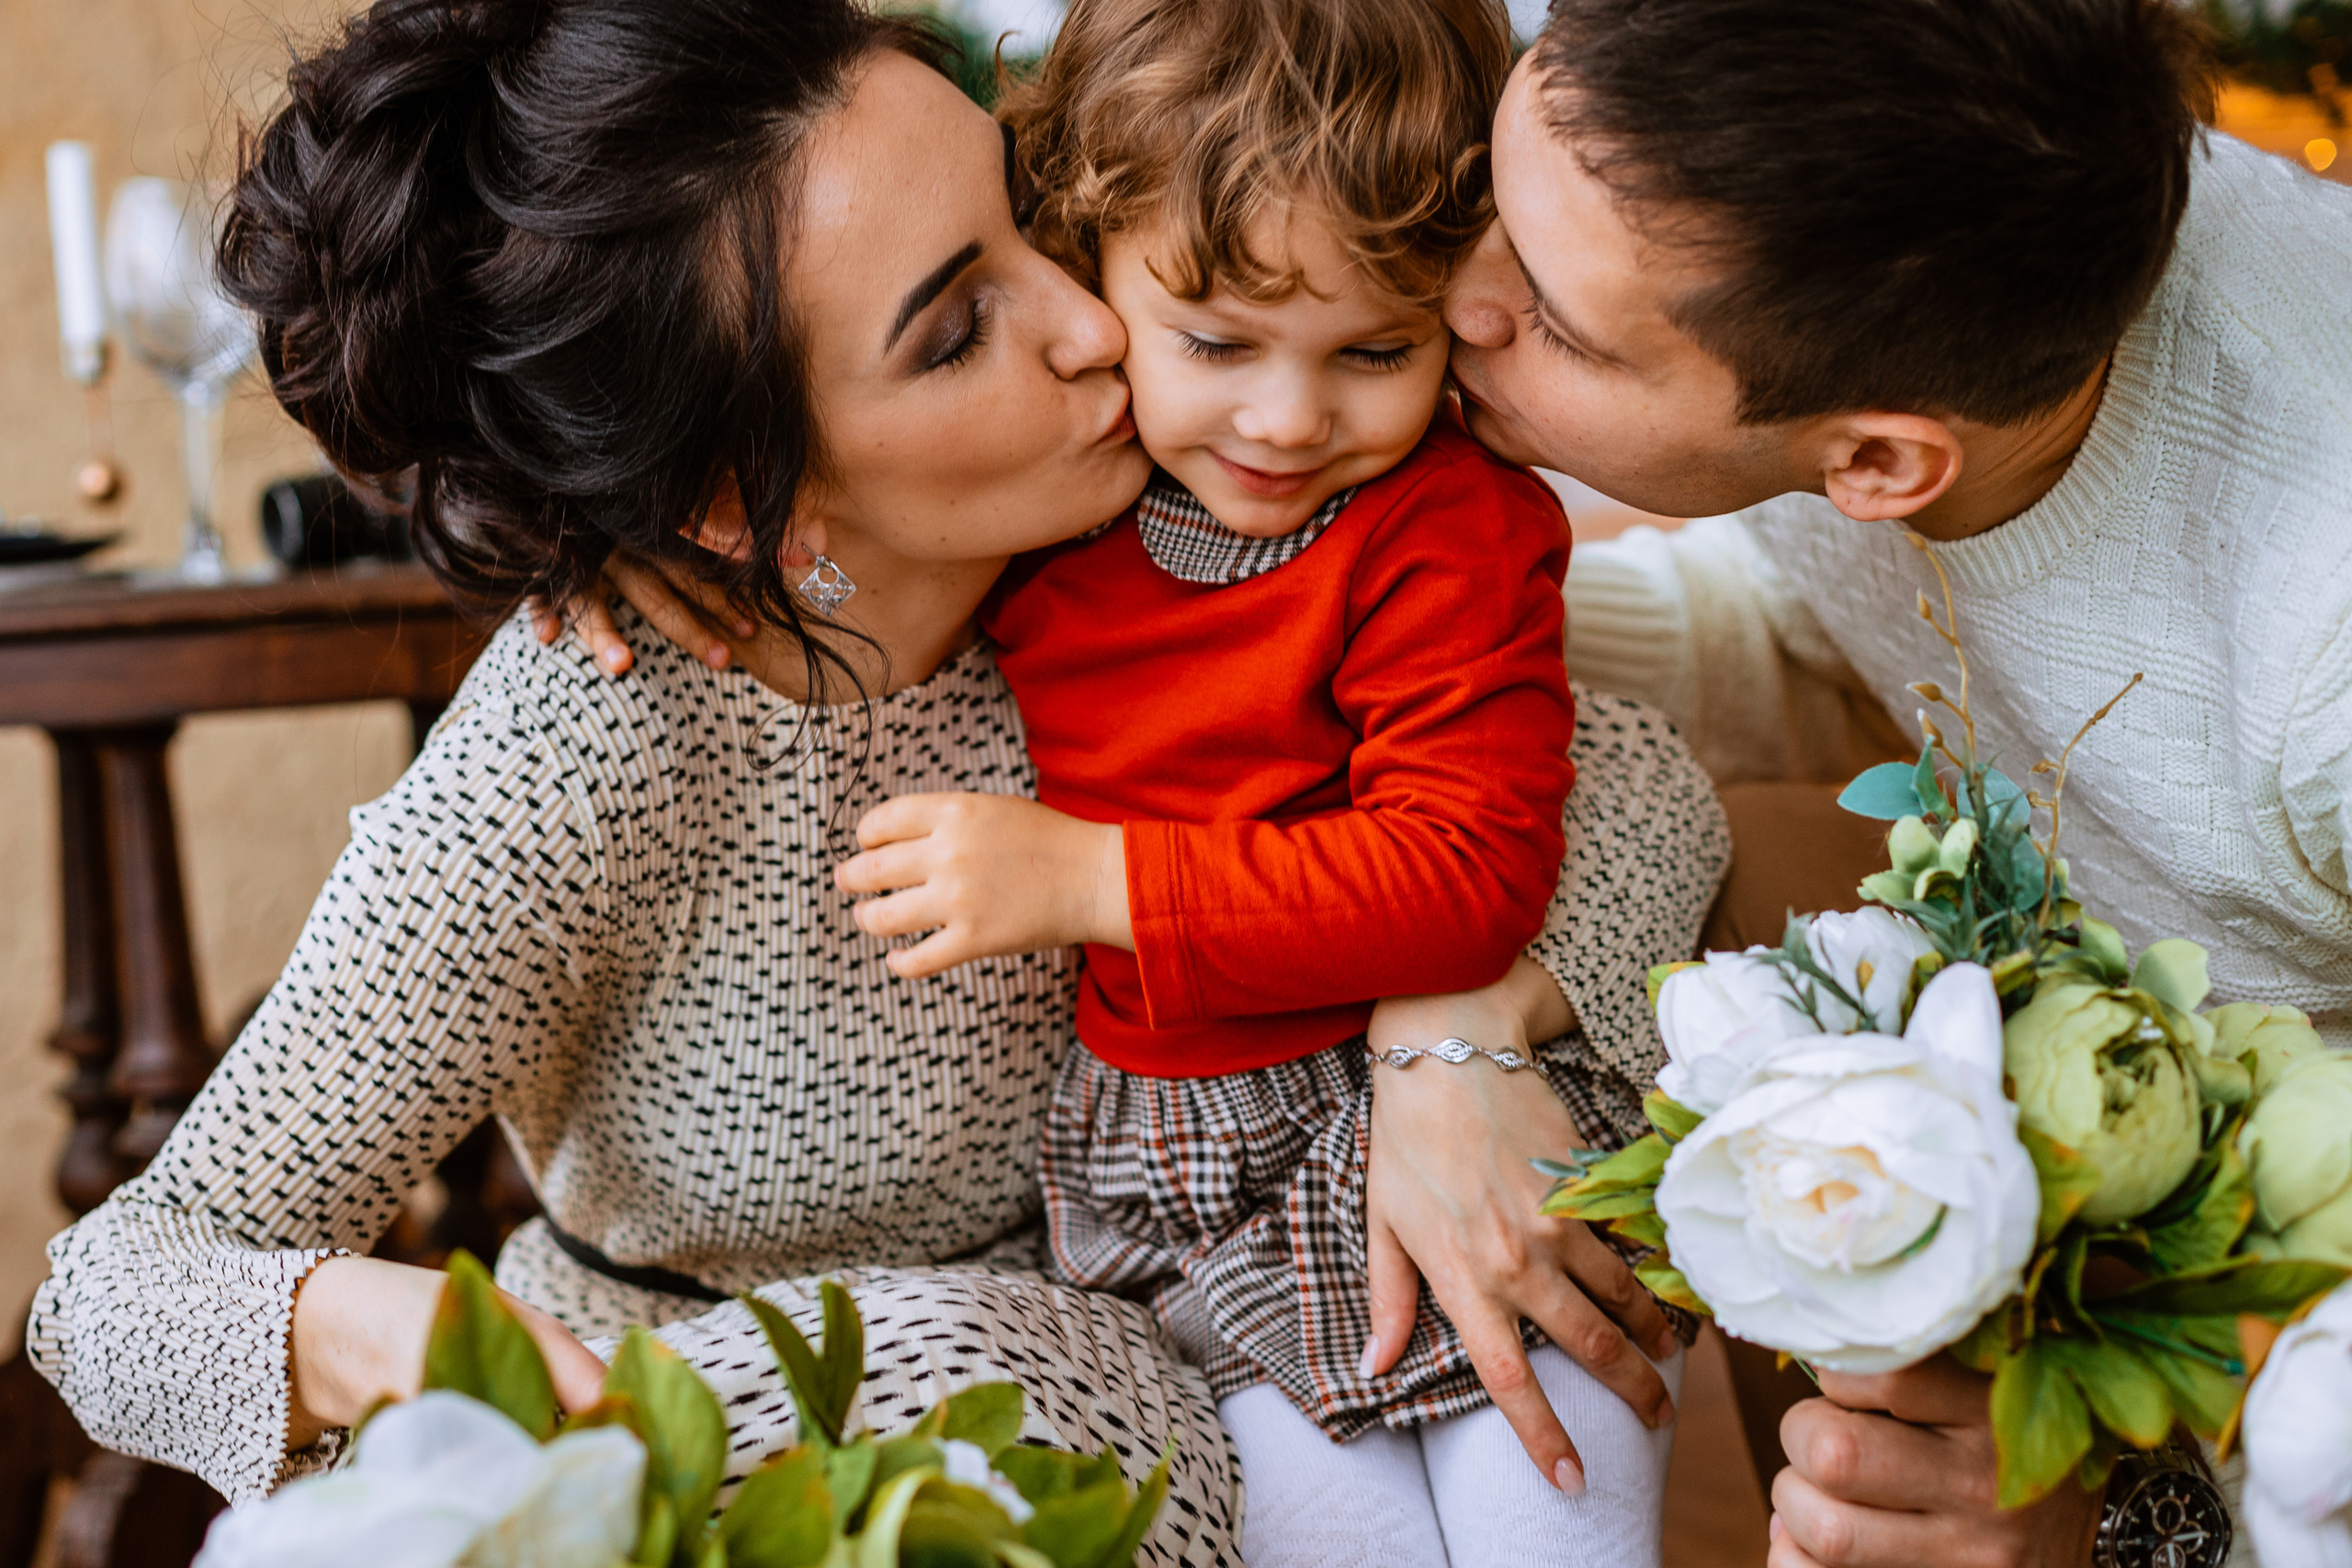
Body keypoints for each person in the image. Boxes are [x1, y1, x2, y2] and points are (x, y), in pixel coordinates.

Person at [28, 0, 1722, 1559]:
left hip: (1112, 1418)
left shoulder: (1200, 514)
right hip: (668, 1447)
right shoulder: (594, 737)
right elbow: (110, 1294)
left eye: (1025, 222)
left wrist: (1450, 1036)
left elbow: (1636, 788)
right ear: (735, 505)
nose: (1086, 323)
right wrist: (363, 1323)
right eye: (955, 326)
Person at [1407, 0, 2352, 1565]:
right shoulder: (1885, 261)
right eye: (1486, 198)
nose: (1459, 298)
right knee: (1709, 886)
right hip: (2089, 1057)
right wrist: (1393, 654)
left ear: (1880, 466)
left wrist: (2134, 1505)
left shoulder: (2319, 626)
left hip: (2290, 1274)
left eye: (1558, 325)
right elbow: (1837, 639)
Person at [831, 0, 1684, 1561]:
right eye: (1215, 343)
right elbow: (829, 488)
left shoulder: (1444, 523)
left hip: (1419, 1113)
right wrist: (609, 557)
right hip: (1170, 1169)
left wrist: (1093, 881)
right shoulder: (1060, 501)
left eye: (1376, 350)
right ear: (1093, 269)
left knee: (1543, 1509)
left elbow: (1463, 877)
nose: (1290, 421)